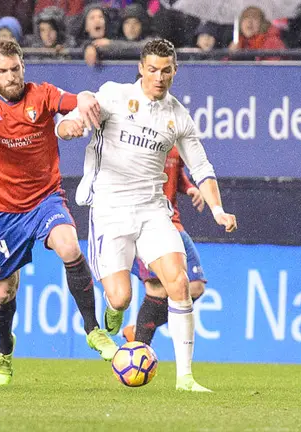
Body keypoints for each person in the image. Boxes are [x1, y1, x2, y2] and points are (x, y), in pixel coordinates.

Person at [0, 36, 116, 386]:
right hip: (2, 211)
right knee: (5, 291)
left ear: (23, 67)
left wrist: (88, 99)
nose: (11, 76)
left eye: (15, 69)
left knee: (70, 246)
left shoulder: (41, 94)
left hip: (45, 198)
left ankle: (92, 329)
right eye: (2, 71)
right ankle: (4, 348)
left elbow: (73, 101)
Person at [56, 39, 237, 392]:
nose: (159, 77)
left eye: (166, 70)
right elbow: (71, 120)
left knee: (180, 283)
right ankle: (113, 309)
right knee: (121, 298)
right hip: (109, 209)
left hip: (153, 210)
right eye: (152, 69)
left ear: (175, 71)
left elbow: (202, 166)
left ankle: (185, 378)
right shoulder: (113, 95)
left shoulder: (178, 116)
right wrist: (69, 127)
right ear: (141, 68)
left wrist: (218, 209)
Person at [121, 146, 208, 347]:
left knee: (194, 287)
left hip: (173, 224)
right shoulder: (138, 136)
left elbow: (174, 175)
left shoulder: (175, 137)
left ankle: (138, 330)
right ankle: (138, 353)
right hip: (145, 224)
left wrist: (189, 188)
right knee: (157, 289)